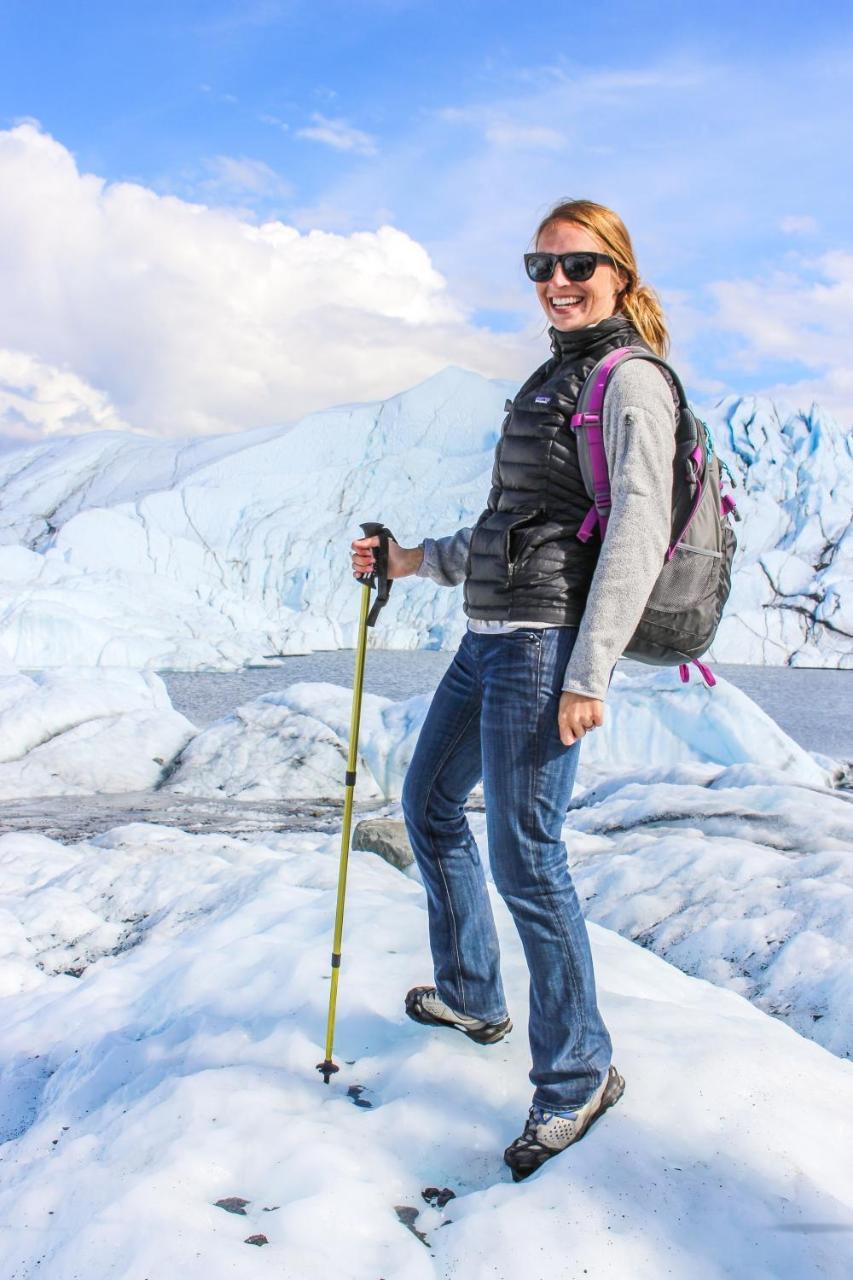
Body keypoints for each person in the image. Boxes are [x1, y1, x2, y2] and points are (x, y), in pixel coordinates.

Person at [350, 198, 677, 1181]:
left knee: (527, 858)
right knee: (428, 803)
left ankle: (578, 1071)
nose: (556, 280)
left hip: (543, 647)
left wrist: (589, 671)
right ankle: (473, 993)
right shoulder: (553, 378)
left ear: (617, 269)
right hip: (486, 633)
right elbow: (510, 524)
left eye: (576, 263)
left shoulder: (630, 382)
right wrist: (409, 560)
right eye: (539, 265)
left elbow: (635, 531)